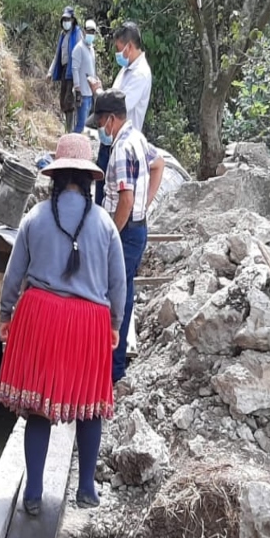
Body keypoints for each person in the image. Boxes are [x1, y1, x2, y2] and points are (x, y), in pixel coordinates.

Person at [0, 134, 126, 515]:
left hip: (41, 317)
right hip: (89, 323)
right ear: (88, 179)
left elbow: (13, 273)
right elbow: (117, 283)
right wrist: (115, 324)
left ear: (55, 176)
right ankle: (86, 490)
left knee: (38, 406)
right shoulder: (104, 224)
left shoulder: (35, 216)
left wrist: (6, 314)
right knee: (90, 406)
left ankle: (33, 494)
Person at [90, 90, 164, 383]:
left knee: (115, 298)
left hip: (124, 232)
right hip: (136, 228)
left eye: (100, 123)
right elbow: (159, 165)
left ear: (110, 120)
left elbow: (125, 200)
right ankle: (112, 367)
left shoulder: (121, 148)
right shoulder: (138, 138)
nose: (100, 130)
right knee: (124, 292)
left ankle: (111, 369)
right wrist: (144, 207)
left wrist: (110, 235)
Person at [95, 21, 152, 205]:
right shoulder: (126, 70)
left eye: (119, 49)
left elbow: (119, 107)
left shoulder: (140, 74)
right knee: (102, 192)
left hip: (123, 143)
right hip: (110, 139)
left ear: (129, 46)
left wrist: (98, 93)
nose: (117, 53)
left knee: (116, 197)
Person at [49, 6, 81, 127]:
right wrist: (50, 72)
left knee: (69, 100)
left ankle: (70, 129)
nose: (65, 22)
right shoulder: (63, 35)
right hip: (64, 70)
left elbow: (80, 53)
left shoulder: (77, 33)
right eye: (64, 20)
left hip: (73, 71)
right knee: (63, 99)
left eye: (68, 19)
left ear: (73, 20)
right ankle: (68, 128)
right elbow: (57, 55)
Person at [70, 19, 100, 134]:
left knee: (83, 124)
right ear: (84, 31)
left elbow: (92, 69)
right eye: (89, 31)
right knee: (80, 124)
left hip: (89, 92)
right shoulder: (79, 48)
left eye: (93, 32)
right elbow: (75, 68)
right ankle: (72, 145)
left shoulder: (91, 49)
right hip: (81, 92)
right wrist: (77, 87)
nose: (91, 34)